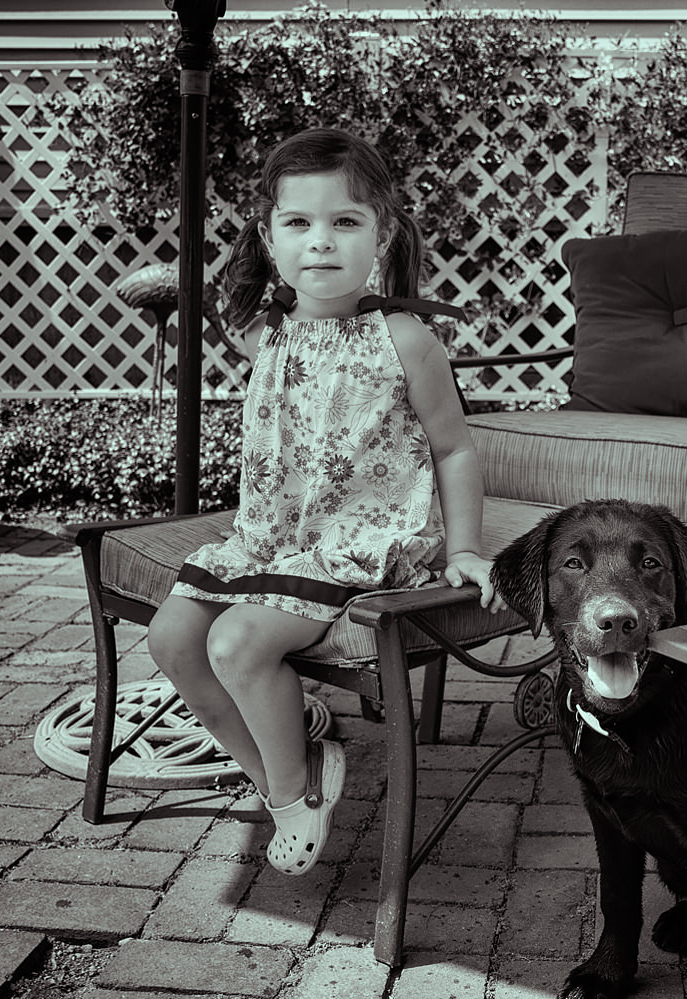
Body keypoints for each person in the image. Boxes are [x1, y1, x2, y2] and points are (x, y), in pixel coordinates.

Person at [147, 126, 502, 876]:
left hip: (367, 543)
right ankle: (289, 772)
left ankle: (291, 794)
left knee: (236, 642)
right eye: (297, 223)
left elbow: (455, 447)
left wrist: (465, 547)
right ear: (268, 235)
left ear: (383, 232)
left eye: (346, 222)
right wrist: (246, 255)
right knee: (173, 638)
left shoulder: (404, 338)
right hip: (274, 540)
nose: (321, 243)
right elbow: (225, 290)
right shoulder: (263, 331)